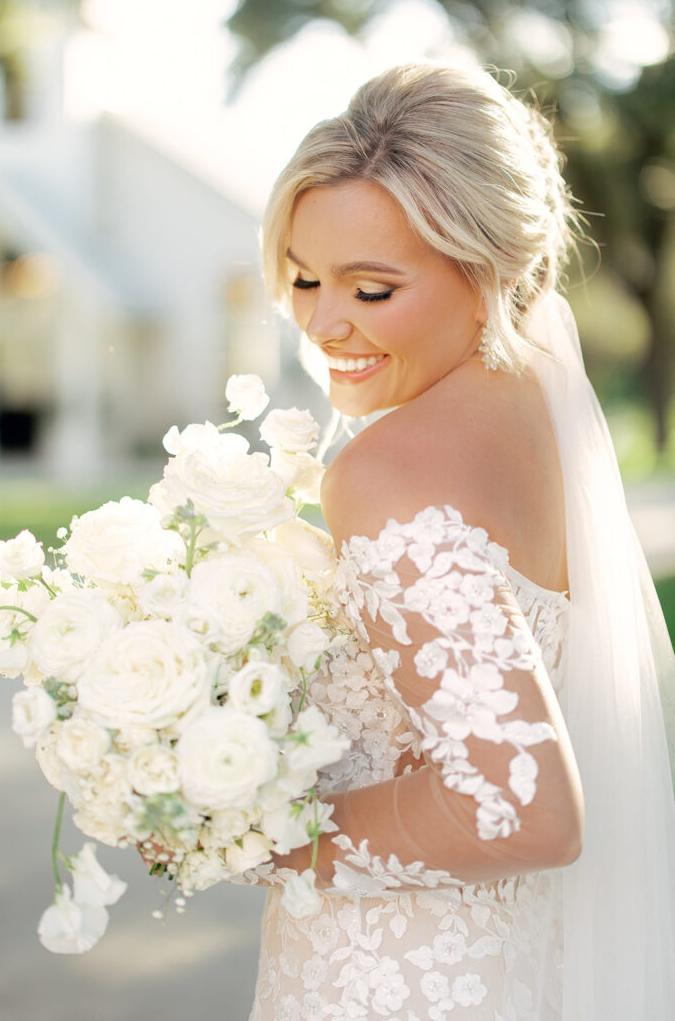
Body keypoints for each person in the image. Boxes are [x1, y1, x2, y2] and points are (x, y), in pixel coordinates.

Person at [241, 63, 675, 1020]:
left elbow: (518, 810)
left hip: (394, 982)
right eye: (306, 278)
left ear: (494, 272)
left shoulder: (386, 468)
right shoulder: (544, 426)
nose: (324, 323)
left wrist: (261, 830)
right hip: (513, 969)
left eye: (374, 288)